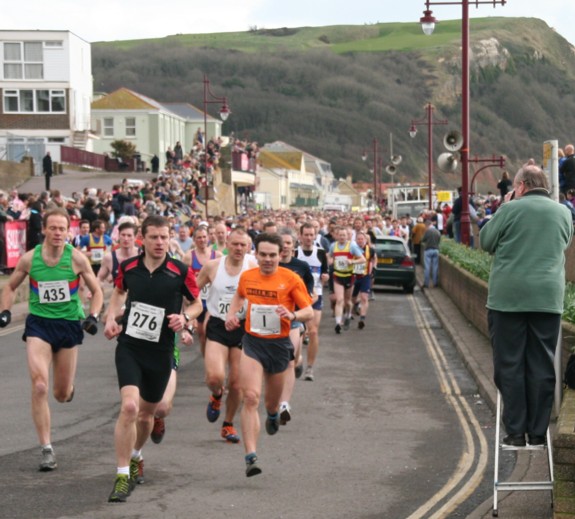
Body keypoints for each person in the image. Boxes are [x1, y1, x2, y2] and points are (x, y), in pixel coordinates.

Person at [104, 214, 202, 503]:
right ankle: (122, 475)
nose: (160, 242)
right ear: (142, 239)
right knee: (130, 407)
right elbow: (119, 292)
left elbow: (197, 304)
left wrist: (184, 317)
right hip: (130, 346)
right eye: (154, 237)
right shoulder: (128, 267)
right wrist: (111, 317)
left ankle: (135, 455)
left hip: (160, 351)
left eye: (164, 237)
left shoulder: (180, 270)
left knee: (147, 414)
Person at [0, 207, 103, 471]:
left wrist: (93, 315)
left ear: (68, 231)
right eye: (53, 228)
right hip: (39, 325)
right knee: (39, 387)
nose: (58, 233)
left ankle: (67, 390)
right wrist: (5, 311)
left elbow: (97, 290)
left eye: (62, 229)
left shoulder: (77, 259)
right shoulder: (30, 259)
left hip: (68, 325)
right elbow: (10, 287)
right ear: (44, 230)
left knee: (60, 393)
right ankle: (46, 448)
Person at [479, 161, 573, 447]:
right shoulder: (564, 212)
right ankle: (537, 432)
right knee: (542, 364)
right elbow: (565, 243)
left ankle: (516, 432)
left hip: (509, 298)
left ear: (520, 186)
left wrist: (503, 207)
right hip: (547, 298)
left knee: (510, 364)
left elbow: (485, 241)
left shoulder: (510, 209)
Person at [224, 233, 313, 477]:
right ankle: (250, 456)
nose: (267, 259)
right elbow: (239, 296)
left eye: (272, 255)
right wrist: (232, 315)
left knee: (270, 403)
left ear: (280, 255)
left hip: (278, 345)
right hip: (252, 343)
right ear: (256, 254)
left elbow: (308, 311)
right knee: (250, 397)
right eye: (262, 254)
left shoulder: (291, 279)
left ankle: (273, 415)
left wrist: (293, 316)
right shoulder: (247, 277)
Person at [195, 227, 257, 444]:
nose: (239, 248)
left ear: (248, 247)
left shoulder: (253, 266)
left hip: (243, 327)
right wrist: (190, 316)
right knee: (215, 377)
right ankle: (216, 395)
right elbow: (191, 291)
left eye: (243, 245)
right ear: (227, 244)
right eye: (235, 244)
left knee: (238, 383)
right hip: (218, 325)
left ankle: (228, 424)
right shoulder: (213, 266)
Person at [277, 227, 315, 424]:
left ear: (294, 246)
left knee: (288, 359)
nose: (284, 248)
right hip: (270, 322)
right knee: (278, 362)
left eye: (288, 244)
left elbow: (308, 291)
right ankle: (299, 361)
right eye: (281, 245)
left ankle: (284, 404)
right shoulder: (268, 265)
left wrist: (303, 312)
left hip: (293, 320)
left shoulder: (301, 266)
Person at [296, 222, 329, 381]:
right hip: (298, 298)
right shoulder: (296, 253)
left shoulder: (321, 252)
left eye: (311, 235)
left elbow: (325, 273)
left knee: (313, 330)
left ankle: (310, 367)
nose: (309, 238)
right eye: (306, 235)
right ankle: (297, 360)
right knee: (299, 332)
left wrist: (325, 277)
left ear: (315, 235)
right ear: (300, 236)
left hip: (316, 296)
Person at [182, 225, 222, 356]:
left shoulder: (217, 255)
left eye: (204, 237)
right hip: (198, 299)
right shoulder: (189, 257)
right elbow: (183, 280)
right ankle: (206, 356)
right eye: (199, 237)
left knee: (209, 329)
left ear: (209, 238)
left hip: (214, 300)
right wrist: (185, 302)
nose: (202, 240)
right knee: (201, 333)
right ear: (194, 240)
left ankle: (214, 355)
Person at [328, 226, 365, 334]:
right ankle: (338, 323)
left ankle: (348, 315)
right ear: (336, 236)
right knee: (339, 300)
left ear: (347, 236)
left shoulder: (352, 246)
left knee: (348, 302)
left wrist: (352, 262)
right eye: (340, 235)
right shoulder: (333, 246)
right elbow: (329, 256)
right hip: (337, 276)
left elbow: (362, 259)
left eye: (344, 235)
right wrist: (330, 261)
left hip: (349, 276)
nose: (342, 237)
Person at [350, 230, 376, 329]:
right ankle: (352, 308)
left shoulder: (370, 250)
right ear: (355, 240)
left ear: (365, 240)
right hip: (354, 276)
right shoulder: (352, 249)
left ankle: (362, 319)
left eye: (362, 239)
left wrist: (374, 268)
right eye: (358, 239)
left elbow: (374, 258)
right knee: (352, 298)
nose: (360, 241)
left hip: (365, 276)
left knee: (364, 297)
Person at [422, 219, 441, 289]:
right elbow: (439, 240)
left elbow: (423, 239)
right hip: (436, 250)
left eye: (425, 226)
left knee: (427, 267)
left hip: (428, 250)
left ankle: (426, 284)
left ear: (427, 225)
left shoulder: (428, 231)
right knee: (435, 267)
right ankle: (435, 283)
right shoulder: (437, 232)